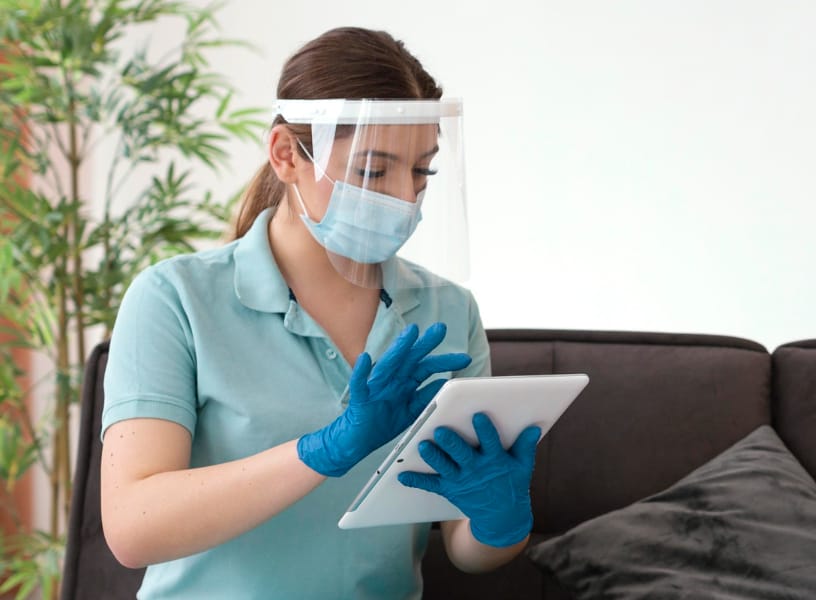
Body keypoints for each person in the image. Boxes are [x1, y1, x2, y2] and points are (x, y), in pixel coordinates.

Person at [99, 27, 535, 599]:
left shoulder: (447, 310)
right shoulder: (173, 299)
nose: (404, 197)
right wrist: (323, 451)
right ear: (286, 154)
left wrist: (501, 520)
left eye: (421, 171)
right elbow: (133, 529)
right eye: (373, 171)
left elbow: (463, 545)